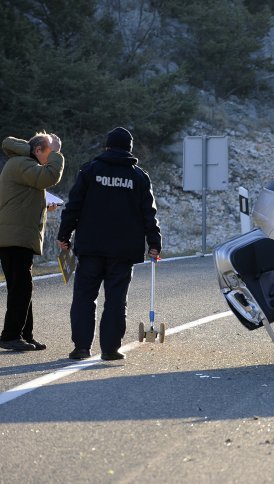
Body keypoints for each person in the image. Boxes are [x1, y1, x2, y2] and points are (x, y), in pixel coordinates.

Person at [57, 127, 162, 361]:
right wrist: (154, 242)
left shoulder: (90, 171)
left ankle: (82, 348)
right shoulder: (138, 177)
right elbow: (149, 213)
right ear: (129, 149)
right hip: (123, 252)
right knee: (116, 300)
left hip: (91, 248)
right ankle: (110, 349)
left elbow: (73, 206)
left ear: (107, 146)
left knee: (84, 297)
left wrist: (65, 235)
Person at [0, 131, 65, 351]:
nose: (52, 157)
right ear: (38, 150)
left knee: (22, 287)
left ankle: (24, 335)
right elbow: (48, 177)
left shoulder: (23, 165)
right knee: (22, 287)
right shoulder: (21, 163)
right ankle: (10, 336)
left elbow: (21, 200)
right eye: (50, 152)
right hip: (14, 237)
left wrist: (45, 206)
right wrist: (57, 153)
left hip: (17, 236)